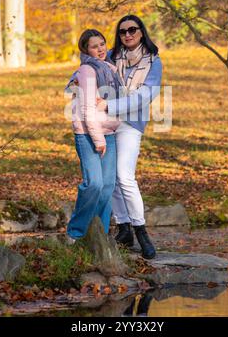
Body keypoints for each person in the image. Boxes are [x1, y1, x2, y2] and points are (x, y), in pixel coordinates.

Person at [97, 15, 162, 259]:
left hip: (130, 123)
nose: (128, 34)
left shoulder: (153, 62)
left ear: (141, 32)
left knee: (125, 176)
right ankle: (123, 228)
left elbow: (145, 97)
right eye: (123, 31)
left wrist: (110, 105)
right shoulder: (113, 55)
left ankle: (140, 230)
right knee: (111, 177)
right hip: (107, 122)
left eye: (132, 29)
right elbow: (91, 61)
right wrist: (76, 77)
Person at [66, 29, 121, 240]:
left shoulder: (110, 68)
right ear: (86, 50)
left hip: (109, 133)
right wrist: (98, 140)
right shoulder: (87, 71)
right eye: (94, 46)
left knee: (107, 187)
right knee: (94, 184)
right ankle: (76, 233)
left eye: (102, 44)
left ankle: (100, 235)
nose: (100, 49)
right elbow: (87, 109)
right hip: (88, 135)